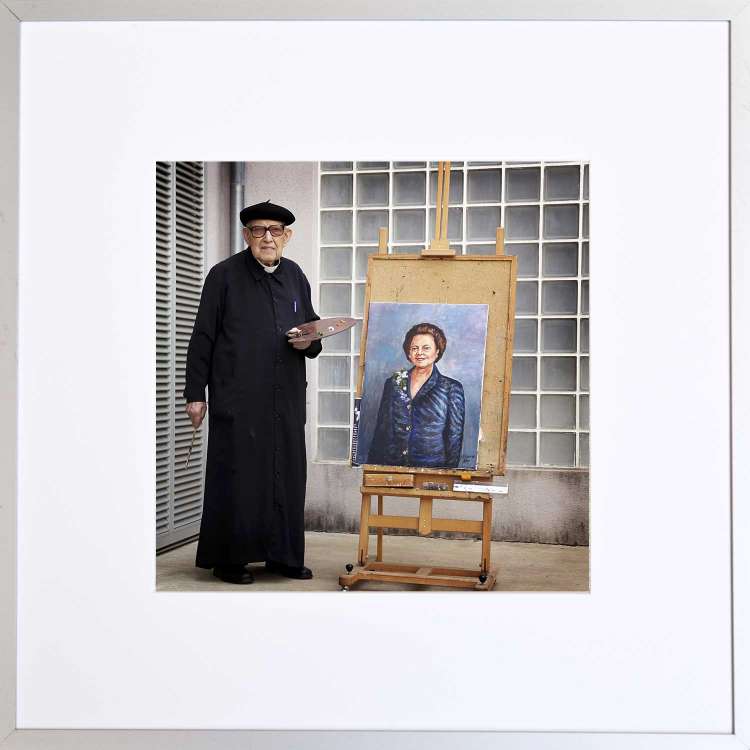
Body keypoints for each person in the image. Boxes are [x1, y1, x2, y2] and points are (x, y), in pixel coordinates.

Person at [183, 200, 321, 585]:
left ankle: (283, 557)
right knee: (239, 478)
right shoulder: (223, 276)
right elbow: (203, 337)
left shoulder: (295, 275)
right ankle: (230, 560)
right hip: (238, 398)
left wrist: (309, 342)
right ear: (247, 235)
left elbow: (312, 328)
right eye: (259, 230)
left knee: (286, 476)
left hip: (285, 398)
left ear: (287, 236)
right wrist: (195, 393)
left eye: (275, 231)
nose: (267, 238)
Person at [367, 322, 465, 469]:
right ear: (408, 352)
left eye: (426, 348)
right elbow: (382, 431)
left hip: (432, 469)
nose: (419, 353)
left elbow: (454, 438)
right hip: (393, 468)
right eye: (414, 348)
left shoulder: (451, 388)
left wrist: (448, 474)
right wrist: (374, 469)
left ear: (437, 351)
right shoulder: (394, 382)